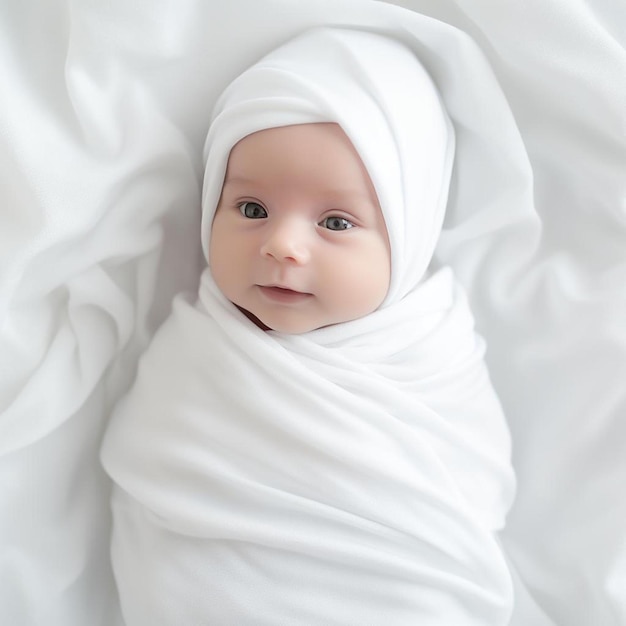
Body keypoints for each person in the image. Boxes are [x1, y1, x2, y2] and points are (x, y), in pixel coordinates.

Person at [102, 26, 516, 625]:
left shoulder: (434, 353)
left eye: (337, 222)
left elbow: (470, 505)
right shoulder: (197, 349)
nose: (282, 245)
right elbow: (155, 500)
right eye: (251, 209)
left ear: (409, 231)